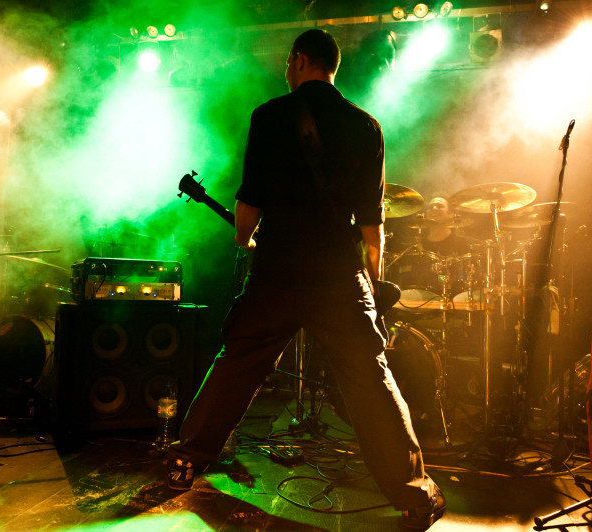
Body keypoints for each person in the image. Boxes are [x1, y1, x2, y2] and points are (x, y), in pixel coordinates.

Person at [165, 29, 446, 530]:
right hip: (338, 274)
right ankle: (414, 494)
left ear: (298, 61)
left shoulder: (268, 116)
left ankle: (187, 458)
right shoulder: (366, 126)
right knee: (371, 378)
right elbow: (372, 223)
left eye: (287, 60)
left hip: (277, 270)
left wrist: (245, 237)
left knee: (237, 364)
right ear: (332, 67)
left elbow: (249, 204)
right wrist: (372, 283)